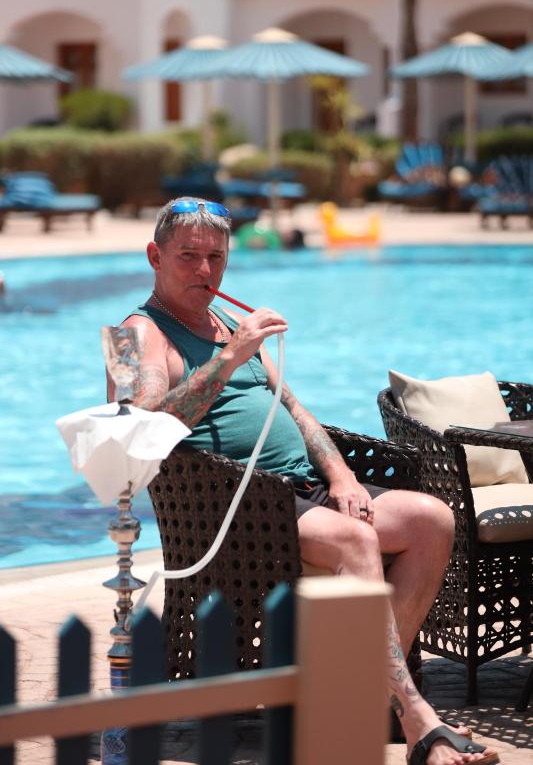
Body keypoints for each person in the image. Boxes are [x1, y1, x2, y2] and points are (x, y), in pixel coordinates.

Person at [110, 197, 499, 765]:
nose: (205, 270)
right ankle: (418, 719)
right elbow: (137, 429)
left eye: (216, 257)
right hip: (232, 505)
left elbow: (293, 409)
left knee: (431, 519)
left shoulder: (227, 324)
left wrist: (342, 476)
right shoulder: (133, 335)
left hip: (299, 491)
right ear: (155, 256)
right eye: (188, 256)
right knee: (357, 540)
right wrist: (229, 357)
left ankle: (364, 699)